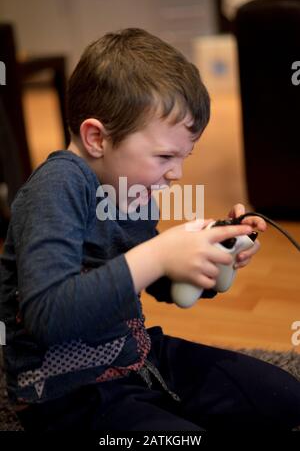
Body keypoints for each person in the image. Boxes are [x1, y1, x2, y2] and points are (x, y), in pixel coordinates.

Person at [0, 28, 299, 432]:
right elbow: (48, 315)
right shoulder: (56, 187)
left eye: (183, 156)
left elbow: (156, 283)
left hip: (136, 357)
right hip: (65, 392)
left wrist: (207, 258)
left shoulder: (132, 188)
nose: (176, 174)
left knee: (287, 398)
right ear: (96, 138)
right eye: (164, 156)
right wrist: (160, 253)